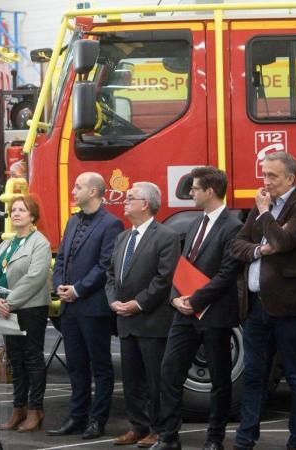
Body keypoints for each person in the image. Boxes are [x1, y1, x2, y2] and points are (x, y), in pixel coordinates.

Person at [230, 152, 296, 450]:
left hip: (291, 308)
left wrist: (266, 213)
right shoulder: (260, 207)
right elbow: (236, 245)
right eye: (264, 175)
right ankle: (245, 439)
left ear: (291, 178)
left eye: (273, 176)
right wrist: (259, 250)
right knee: (254, 375)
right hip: (257, 307)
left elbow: (282, 241)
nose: (266, 182)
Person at [151, 167, 242, 450]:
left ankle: (215, 439)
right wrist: (176, 298)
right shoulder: (194, 224)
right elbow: (182, 265)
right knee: (169, 371)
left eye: (195, 188)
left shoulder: (233, 226)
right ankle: (168, 436)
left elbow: (227, 273)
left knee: (219, 379)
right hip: (184, 313)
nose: (191, 193)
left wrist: (196, 300)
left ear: (210, 191)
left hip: (214, 315)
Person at [47, 172, 124, 440]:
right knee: (77, 366)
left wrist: (78, 289)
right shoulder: (72, 221)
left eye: (78, 186)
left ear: (93, 192)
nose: (73, 190)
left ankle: (97, 420)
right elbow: (63, 257)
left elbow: (105, 265)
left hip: (93, 307)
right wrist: (60, 285)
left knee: (100, 366)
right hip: (70, 307)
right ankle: (77, 417)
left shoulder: (111, 224)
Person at [105, 182, 180, 448]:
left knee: (156, 379)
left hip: (151, 320)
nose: (124, 201)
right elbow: (111, 274)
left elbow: (163, 279)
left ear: (145, 204)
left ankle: (160, 430)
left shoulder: (166, 236)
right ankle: (138, 426)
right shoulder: (123, 237)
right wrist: (113, 301)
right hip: (125, 319)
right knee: (132, 379)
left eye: (130, 198)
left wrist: (138, 304)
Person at [0, 195, 52, 433]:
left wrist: (9, 301)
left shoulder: (40, 243)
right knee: (15, 361)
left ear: (32, 216)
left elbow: (35, 278)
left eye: (22, 210)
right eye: (13, 210)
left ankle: (36, 409)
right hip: (5, 309)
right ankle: (19, 408)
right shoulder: (4, 244)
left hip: (29, 309)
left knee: (32, 358)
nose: (16, 213)